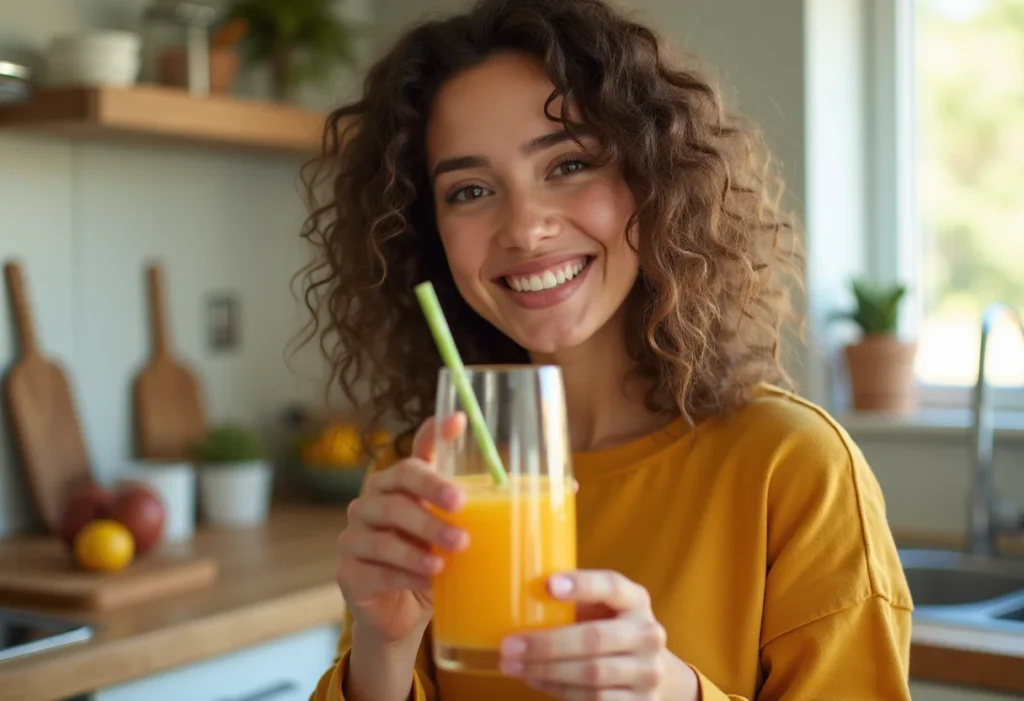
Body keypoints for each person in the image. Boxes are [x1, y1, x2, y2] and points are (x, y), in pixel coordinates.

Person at [301, 0, 914, 699]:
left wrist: (675, 692)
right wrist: (381, 650)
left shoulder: (794, 468)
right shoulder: (429, 475)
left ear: (652, 179)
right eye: (469, 190)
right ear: (429, 232)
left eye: (568, 164)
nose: (525, 228)